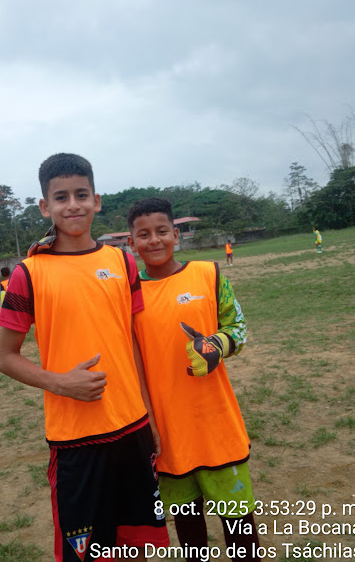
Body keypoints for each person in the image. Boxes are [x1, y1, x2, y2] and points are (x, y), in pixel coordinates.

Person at [0, 154, 168, 562]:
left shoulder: (122, 261)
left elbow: (130, 343)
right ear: (45, 206)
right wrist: (60, 382)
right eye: (61, 197)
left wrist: (148, 414)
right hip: (75, 439)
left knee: (137, 546)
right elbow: (6, 357)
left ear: (97, 201)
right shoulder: (28, 272)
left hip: (132, 428)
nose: (72, 205)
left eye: (81, 194)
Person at [127, 197, 260, 562]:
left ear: (176, 234)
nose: (154, 240)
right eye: (144, 234)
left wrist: (217, 345)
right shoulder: (128, 295)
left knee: (240, 525)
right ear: (132, 243)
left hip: (216, 424)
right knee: (189, 530)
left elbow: (238, 326)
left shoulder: (209, 274)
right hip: (166, 431)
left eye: (162, 231)